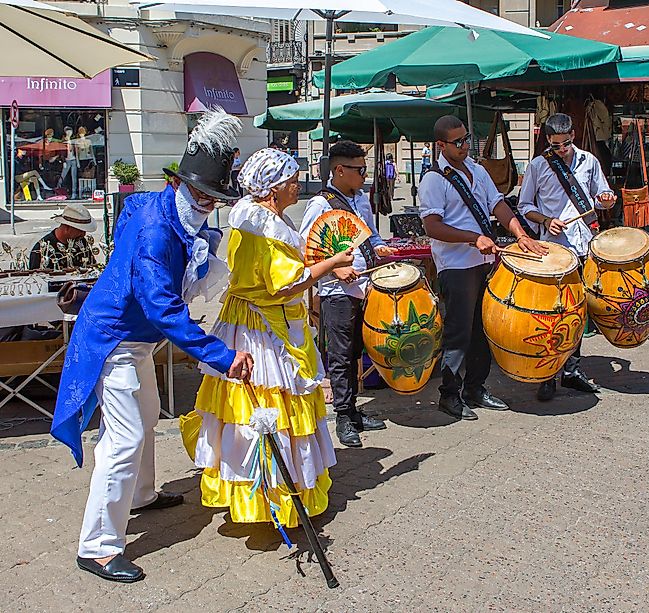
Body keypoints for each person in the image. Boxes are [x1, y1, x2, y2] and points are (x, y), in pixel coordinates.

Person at [50, 108, 254, 583]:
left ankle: (140, 496)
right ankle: (97, 545)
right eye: (201, 193)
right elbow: (164, 307)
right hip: (114, 340)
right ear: (180, 182)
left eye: (215, 197)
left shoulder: (158, 208)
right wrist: (222, 357)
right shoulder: (157, 229)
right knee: (124, 438)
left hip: (134, 340)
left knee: (145, 415)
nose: (206, 203)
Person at [183, 148, 352, 528]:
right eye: (292, 182)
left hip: (243, 318)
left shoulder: (248, 219)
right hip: (266, 329)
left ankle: (252, 492)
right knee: (275, 405)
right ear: (273, 190)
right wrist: (334, 263)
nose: (297, 188)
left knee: (241, 408)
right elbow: (286, 286)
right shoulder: (268, 231)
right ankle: (275, 495)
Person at [419, 115, 547, 420]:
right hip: (456, 265)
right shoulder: (433, 179)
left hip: (485, 262)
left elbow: (498, 205)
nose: (465, 145)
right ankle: (449, 395)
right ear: (441, 145)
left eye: (467, 138)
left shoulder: (477, 170)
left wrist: (521, 234)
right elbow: (432, 226)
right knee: (459, 333)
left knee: (483, 329)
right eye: (458, 142)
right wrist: (473, 238)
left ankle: (475, 388)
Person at [300, 140, 396, 448]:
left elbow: (369, 232)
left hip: (364, 285)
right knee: (340, 355)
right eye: (359, 170)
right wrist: (335, 269)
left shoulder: (361, 200)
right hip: (336, 292)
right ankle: (342, 415)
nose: (364, 175)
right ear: (339, 170)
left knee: (356, 350)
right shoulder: (321, 204)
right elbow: (307, 248)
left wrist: (379, 246)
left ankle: (353, 410)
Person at [518, 113, 617, 401]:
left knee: (578, 310)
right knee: (552, 312)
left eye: (566, 144)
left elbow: (603, 195)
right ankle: (547, 374)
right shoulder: (538, 166)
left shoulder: (589, 161)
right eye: (556, 145)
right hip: (552, 250)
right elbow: (525, 206)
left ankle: (572, 370)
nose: (562, 149)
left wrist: (607, 200)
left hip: (583, 245)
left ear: (574, 135)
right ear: (547, 140)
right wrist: (546, 220)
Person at [29, 203, 97, 270]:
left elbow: (91, 266)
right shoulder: (41, 249)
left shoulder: (81, 241)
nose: (83, 234)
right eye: (80, 230)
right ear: (67, 227)